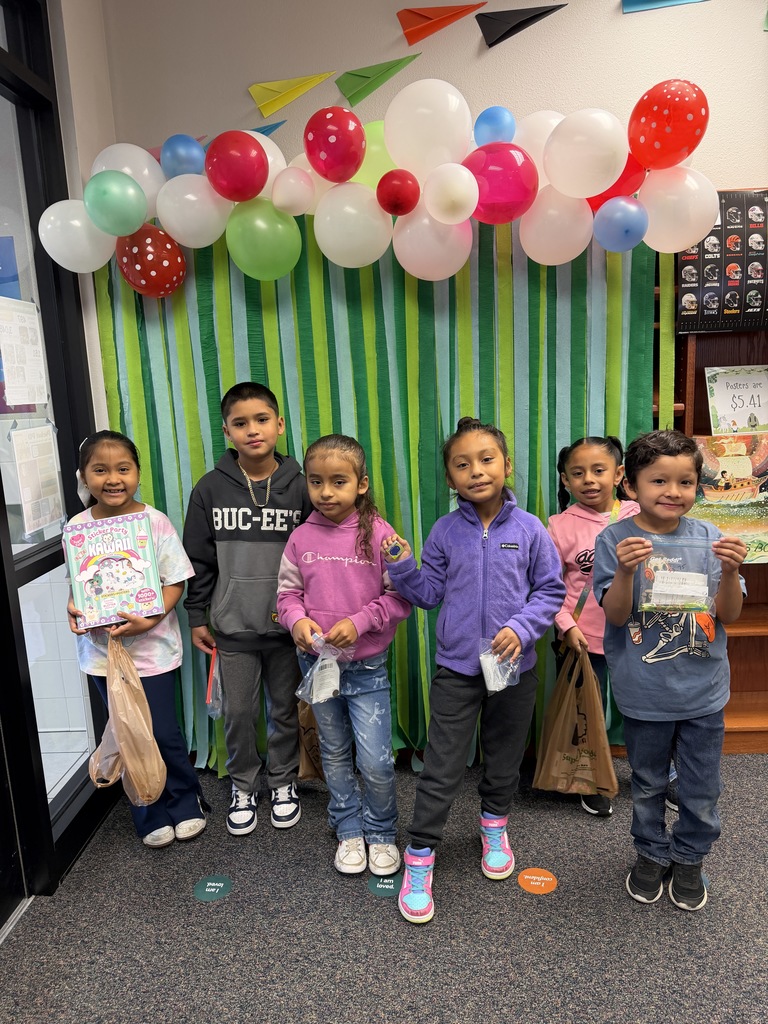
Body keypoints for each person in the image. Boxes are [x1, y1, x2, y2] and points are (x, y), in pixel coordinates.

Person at [383, 417, 565, 924]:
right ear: (450, 478)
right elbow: (428, 594)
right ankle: (420, 854)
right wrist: (402, 568)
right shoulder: (444, 531)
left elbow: (550, 590)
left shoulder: (530, 528)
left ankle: (493, 825)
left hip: (512, 667)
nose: (476, 471)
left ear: (506, 465)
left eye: (486, 460)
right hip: (458, 668)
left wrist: (522, 628)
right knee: (441, 765)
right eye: (462, 465)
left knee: (504, 756)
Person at [593, 429, 746, 912]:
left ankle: (690, 856)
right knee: (648, 782)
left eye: (686, 482)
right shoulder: (615, 539)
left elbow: (730, 614)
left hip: (703, 690)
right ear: (630, 485)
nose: (673, 492)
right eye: (659, 480)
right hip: (645, 691)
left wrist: (732, 572)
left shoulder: (711, 538)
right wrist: (624, 571)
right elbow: (616, 616)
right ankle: (651, 852)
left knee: (701, 786)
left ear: (698, 486)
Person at [276, 434, 411, 877]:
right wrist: (296, 621)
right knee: (334, 751)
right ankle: (349, 826)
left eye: (339, 481)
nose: (326, 492)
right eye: (316, 482)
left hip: (367, 668)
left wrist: (362, 621)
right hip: (317, 665)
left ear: (361, 484)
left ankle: (381, 830)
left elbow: (400, 598)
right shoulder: (300, 537)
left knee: (375, 759)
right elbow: (287, 595)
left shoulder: (381, 535)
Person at [183, 382, 313, 836]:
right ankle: (243, 785)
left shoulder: (303, 486)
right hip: (232, 626)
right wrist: (197, 616)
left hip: (288, 628)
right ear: (227, 432)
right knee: (238, 713)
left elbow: (319, 555)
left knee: (284, 711)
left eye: (261, 420)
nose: (252, 430)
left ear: (280, 425)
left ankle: (282, 782)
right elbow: (198, 560)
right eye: (240, 423)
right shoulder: (209, 489)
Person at [67, 430, 205, 848]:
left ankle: (185, 801)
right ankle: (148, 811)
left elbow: (175, 581)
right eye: (100, 470)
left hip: (153, 652)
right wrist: (74, 609)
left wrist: (150, 621)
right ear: (84, 477)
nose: (113, 479)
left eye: (123, 469)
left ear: (138, 473)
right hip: (102, 655)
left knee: (161, 732)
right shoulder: (77, 528)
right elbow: (79, 587)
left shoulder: (154, 521)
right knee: (127, 733)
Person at [546, 435, 639, 817]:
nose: (589, 479)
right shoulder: (558, 526)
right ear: (565, 480)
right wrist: (565, 625)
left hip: (636, 635)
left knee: (644, 709)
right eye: (578, 473)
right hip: (581, 639)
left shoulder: (640, 512)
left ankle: (659, 773)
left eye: (599, 470)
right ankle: (589, 779)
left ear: (618, 474)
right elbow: (547, 587)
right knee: (586, 713)